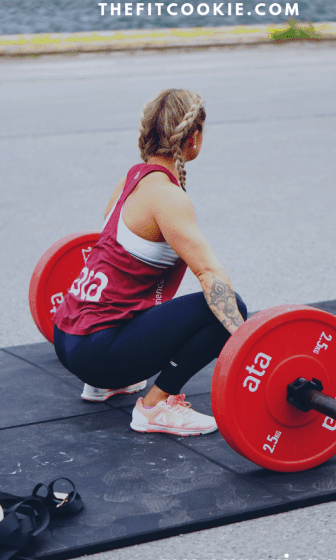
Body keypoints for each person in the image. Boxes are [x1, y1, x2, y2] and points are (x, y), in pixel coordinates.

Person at [52, 88, 247, 436]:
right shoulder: (168, 197)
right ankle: (155, 406)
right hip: (97, 352)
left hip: (67, 337)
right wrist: (246, 337)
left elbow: (115, 263)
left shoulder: (131, 179)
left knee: (146, 300)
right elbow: (209, 273)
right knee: (226, 308)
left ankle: (103, 386)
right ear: (194, 137)